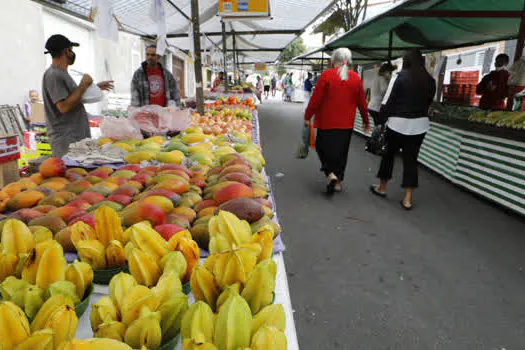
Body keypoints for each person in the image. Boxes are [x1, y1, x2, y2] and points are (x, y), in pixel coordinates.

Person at [370, 50, 436, 210]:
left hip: (397, 124)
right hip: (420, 125)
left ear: (406, 61)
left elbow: (388, 102)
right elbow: (428, 104)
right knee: (411, 160)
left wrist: (380, 122)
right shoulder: (430, 80)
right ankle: (407, 199)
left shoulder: (400, 77)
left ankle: (382, 187)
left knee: (388, 156)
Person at [304, 48, 370, 194]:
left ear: (333, 60)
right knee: (341, 152)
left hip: (326, 122)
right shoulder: (355, 78)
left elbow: (315, 100)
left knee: (322, 147)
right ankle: (338, 181)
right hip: (346, 124)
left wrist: (307, 116)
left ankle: (330, 174)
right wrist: (366, 121)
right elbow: (362, 103)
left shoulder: (326, 76)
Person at [42, 34, 113, 158]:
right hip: (66, 141)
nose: (73, 54)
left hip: (74, 138)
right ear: (67, 51)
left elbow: (73, 97)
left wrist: (94, 87)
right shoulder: (54, 75)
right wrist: (83, 85)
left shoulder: (61, 74)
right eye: (71, 50)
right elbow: (63, 107)